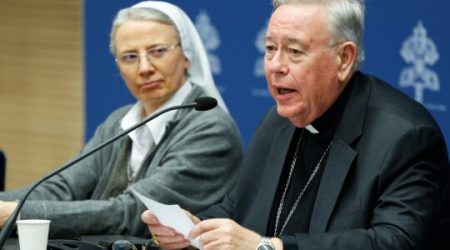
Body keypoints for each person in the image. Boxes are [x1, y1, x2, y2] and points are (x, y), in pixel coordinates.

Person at [141, 0, 450, 249]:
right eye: (270, 48)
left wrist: (267, 247)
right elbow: (238, 206)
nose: (276, 66)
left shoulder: (406, 137)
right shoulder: (278, 121)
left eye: (294, 51)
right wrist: (194, 229)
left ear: (344, 59)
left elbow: (394, 241)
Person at [0, 1, 244, 237]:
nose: (144, 67)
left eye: (158, 51)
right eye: (130, 57)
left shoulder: (210, 128)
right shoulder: (120, 120)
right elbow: (62, 187)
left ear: (186, 55)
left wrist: (17, 213)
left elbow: (132, 213)